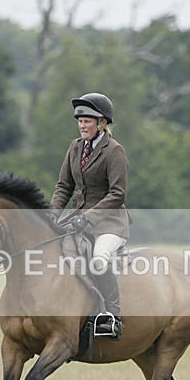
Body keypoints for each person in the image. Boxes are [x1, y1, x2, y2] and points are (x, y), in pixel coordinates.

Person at [50, 92, 130, 339]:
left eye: (87, 121)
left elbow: (118, 194)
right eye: (80, 121)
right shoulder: (75, 148)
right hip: (78, 220)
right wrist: (51, 216)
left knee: (98, 259)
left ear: (102, 123)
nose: (82, 125)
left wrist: (89, 217)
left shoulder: (114, 151)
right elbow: (64, 186)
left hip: (110, 224)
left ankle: (112, 317)